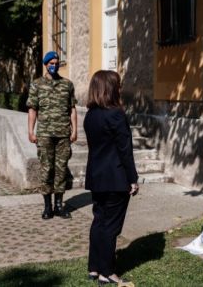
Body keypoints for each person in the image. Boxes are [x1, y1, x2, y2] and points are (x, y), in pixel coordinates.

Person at [83, 70, 139, 285]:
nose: (120, 88)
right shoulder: (116, 114)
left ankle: (94, 267)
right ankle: (107, 271)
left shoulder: (91, 115)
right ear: (110, 89)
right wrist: (132, 178)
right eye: (118, 85)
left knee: (99, 221)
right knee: (111, 227)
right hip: (115, 178)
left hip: (97, 177)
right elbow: (125, 149)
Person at [27, 51, 77, 220]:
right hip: (45, 134)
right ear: (46, 64)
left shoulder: (67, 85)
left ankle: (59, 206)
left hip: (63, 134)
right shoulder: (36, 85)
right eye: (51, 62)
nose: (54, 65)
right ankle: (47, 206)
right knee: (46, 169)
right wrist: (30, 131)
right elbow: (32, 109)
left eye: (56, 62)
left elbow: (72, 109)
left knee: (61, 170)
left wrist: (75, 130)